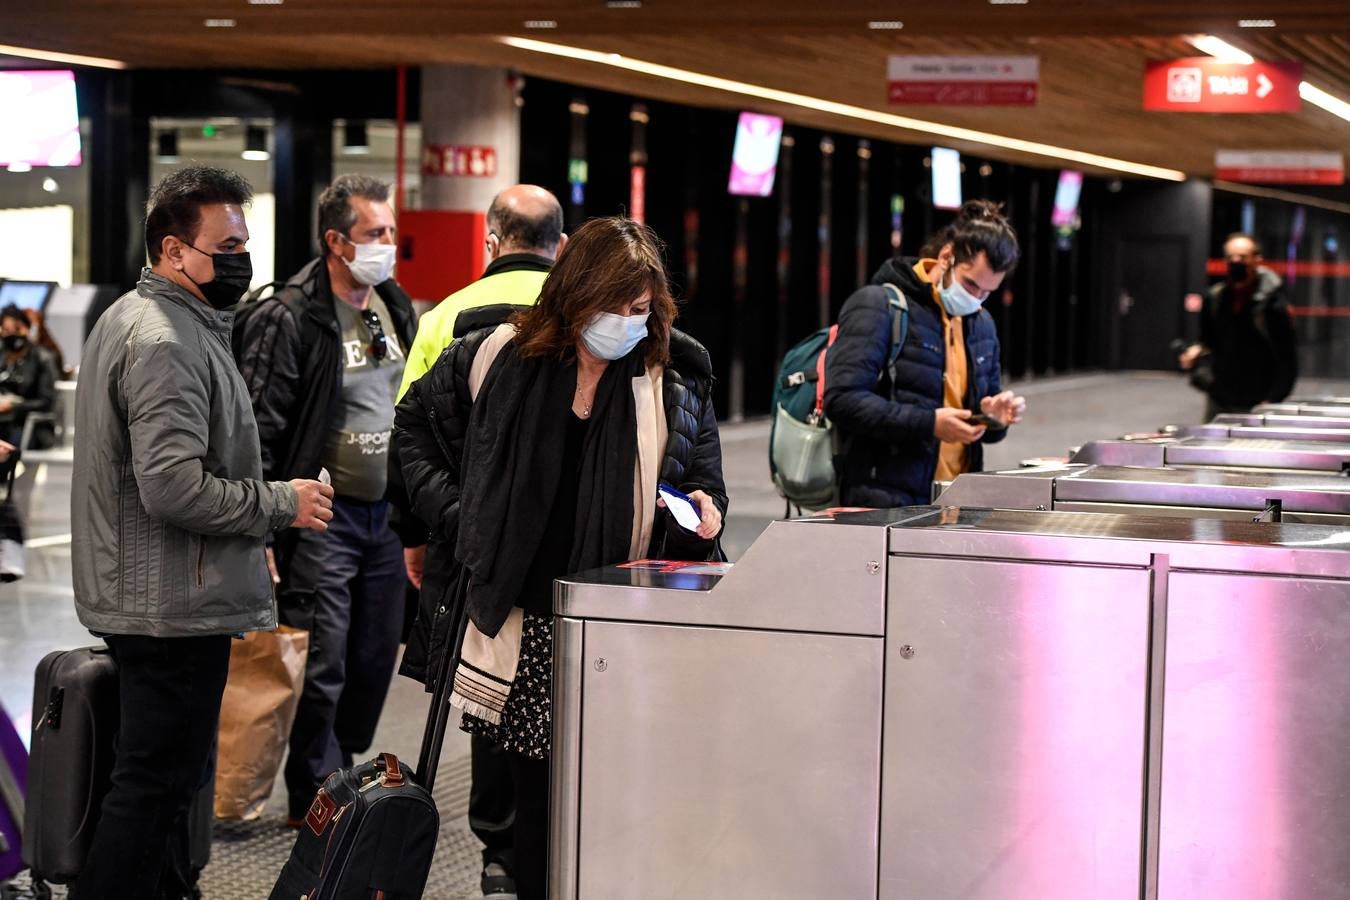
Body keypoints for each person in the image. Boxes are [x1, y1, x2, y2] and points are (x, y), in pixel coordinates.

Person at [395, 216, 728, 900]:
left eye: (641, 310)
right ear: (575, 298)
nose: (628, 324)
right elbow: (414, 430)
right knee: (534, 810)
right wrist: (463, 519)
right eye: (613, 308)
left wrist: (699, 521)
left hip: (621, 626)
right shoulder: (498, 356)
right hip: (526, 623)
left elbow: (704, 493)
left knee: (615, 801)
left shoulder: (673, 378)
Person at [70, 165, 333, 899]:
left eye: (244, 242)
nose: (240, 259)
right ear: (174, 250)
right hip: (170, 608)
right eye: (226, 245)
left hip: (162, 595)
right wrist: (281, 502)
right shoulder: (166, 340)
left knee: (163, 785)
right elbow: (173, 487)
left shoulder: (151, 320)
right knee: (154, 786)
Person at [391, 183, 564, 900]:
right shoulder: (586, 311)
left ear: (492, 241)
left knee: (488, 682)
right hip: (568, 545)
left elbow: (411, 438)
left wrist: (421, 533)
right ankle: (557, 841)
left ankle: (497, 849)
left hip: (475, 544)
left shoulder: (446, 316)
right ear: (560, 243)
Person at [236, 174, 417, 825]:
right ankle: (318, 793)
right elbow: (259, 426)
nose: (388, 245)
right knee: (326, 658)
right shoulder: (292, 315)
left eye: (391, 232)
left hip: (386, 516)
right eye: (376, 234)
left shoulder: (393, 304)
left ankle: (342, 764)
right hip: (322, 518)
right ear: (337, 240)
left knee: (374, 655)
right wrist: (258, 525)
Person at [824, 200, 1027, 507]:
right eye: (970, 284)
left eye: (987, 292)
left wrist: (993, 418)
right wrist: (929, 423)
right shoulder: (878, 305)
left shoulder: (982, 323)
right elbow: (841, 400)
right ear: (946, 257)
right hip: (883, 501)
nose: (976, 299)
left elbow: (977, 423)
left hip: (955, 500)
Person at [1179, 232, 1297, 420]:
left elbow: (1287, 359)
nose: (1236, 261)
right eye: (1230, 257)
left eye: (1242, 257)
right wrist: (1196, 352)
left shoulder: (1273, 305)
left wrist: (1273, 400)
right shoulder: (1215, 299)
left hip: (1258, 400)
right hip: (1220, 397)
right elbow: (1207, 340)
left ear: (1257, 260)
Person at [0, 305, 58, 451]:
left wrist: (14, 405)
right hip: (3, 422)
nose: (12, 334)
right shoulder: (1, 356)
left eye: (17, 329)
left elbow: (47, 401)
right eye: (7, 330)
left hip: (28, 423)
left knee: (13, 441)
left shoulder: (42, 358)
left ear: (27, 328)